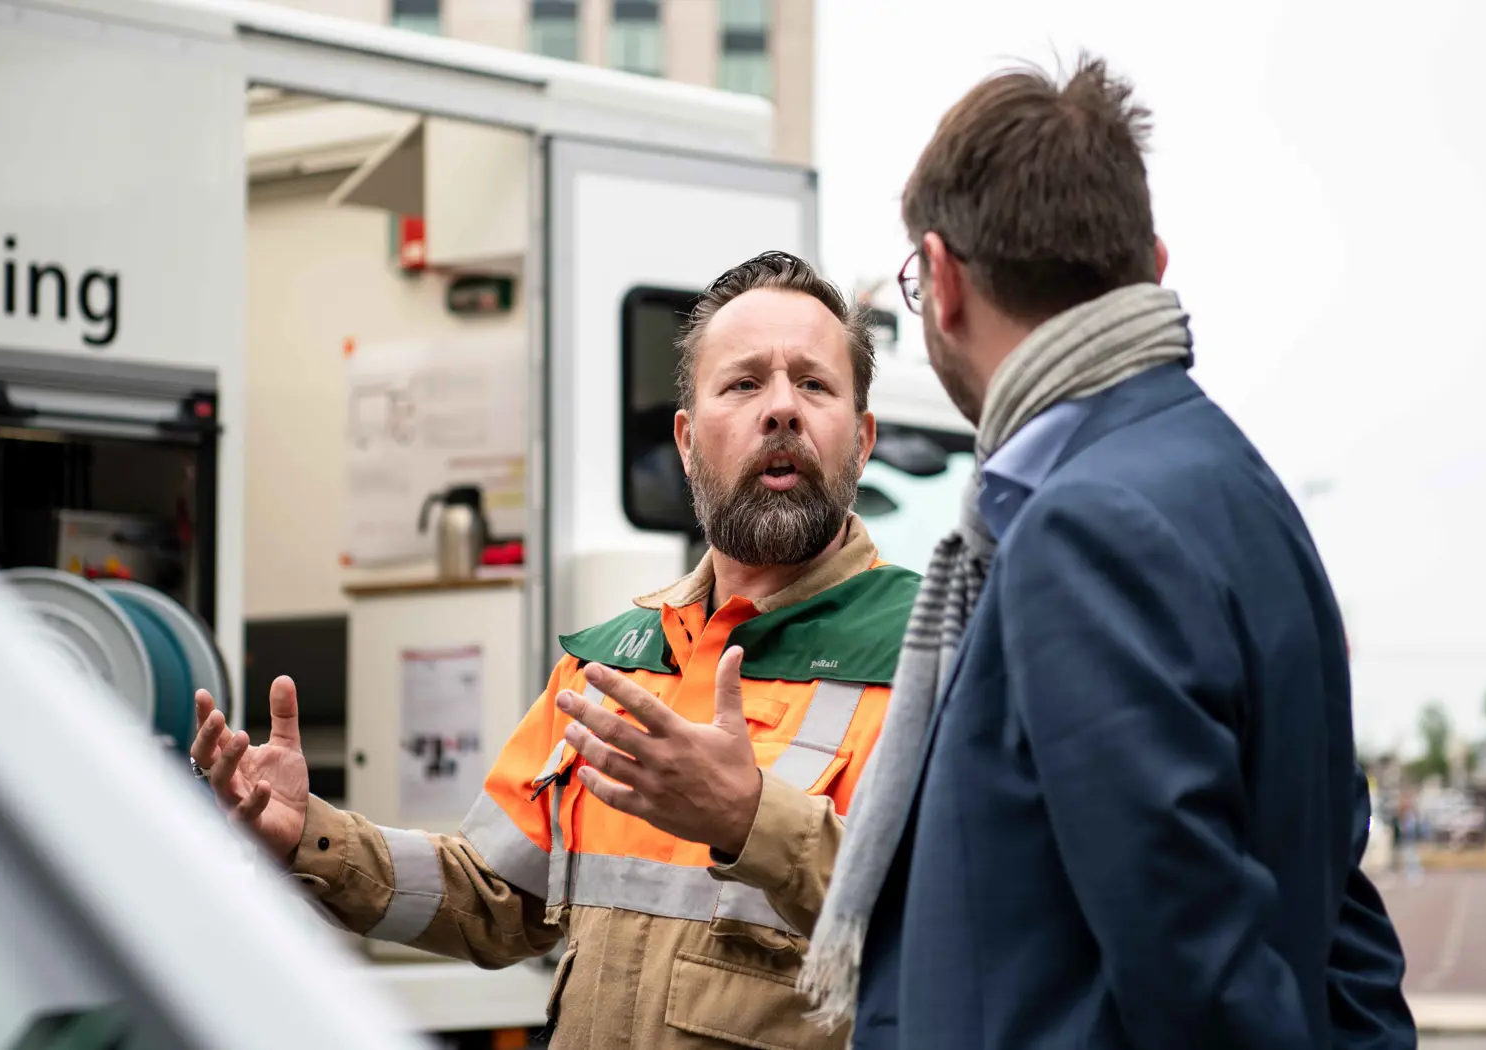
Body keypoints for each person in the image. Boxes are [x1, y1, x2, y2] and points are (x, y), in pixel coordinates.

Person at [795, 56, 1415, 1049]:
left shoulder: (1082, 528)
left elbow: (1195, 970)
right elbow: (1341, 923)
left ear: (944, 281)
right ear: (1153, 263)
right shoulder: (1243, 492)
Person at [193, 251, 923, 1050]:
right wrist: (309, 837)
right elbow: (491, 899)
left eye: (814, 384)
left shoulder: (933, 653)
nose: (781, 408)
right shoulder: (615, 662)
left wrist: (753, 820)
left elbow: (961, 920)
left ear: (862, 439)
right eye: (744, 383)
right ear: (685, 441)